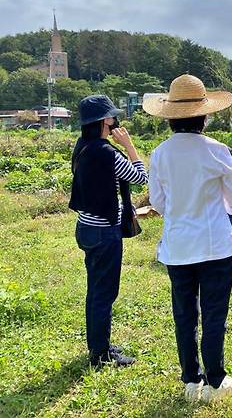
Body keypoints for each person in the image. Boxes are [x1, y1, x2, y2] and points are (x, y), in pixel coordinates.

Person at [145, 74, 232, 402]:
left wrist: (180, 208)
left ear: (170, 117)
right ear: (204, 115)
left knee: (185, 314)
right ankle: (216, 380)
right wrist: (219, 208)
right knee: (214, 314)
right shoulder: (217, 151)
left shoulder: (160, 154)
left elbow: (158, 202)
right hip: (216, 244)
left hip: (178, 247)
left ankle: (191, 380)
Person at [69, 95, 148, 367]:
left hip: (87, 228)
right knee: (104, 293)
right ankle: (100, 355)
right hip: (105, 232)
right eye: (112, 117)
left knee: (96, 290)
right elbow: (140, 177)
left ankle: (99, 345)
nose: (116, 121)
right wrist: (129, 146)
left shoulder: (82, 146)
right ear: (105, 121)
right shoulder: (108, 152)